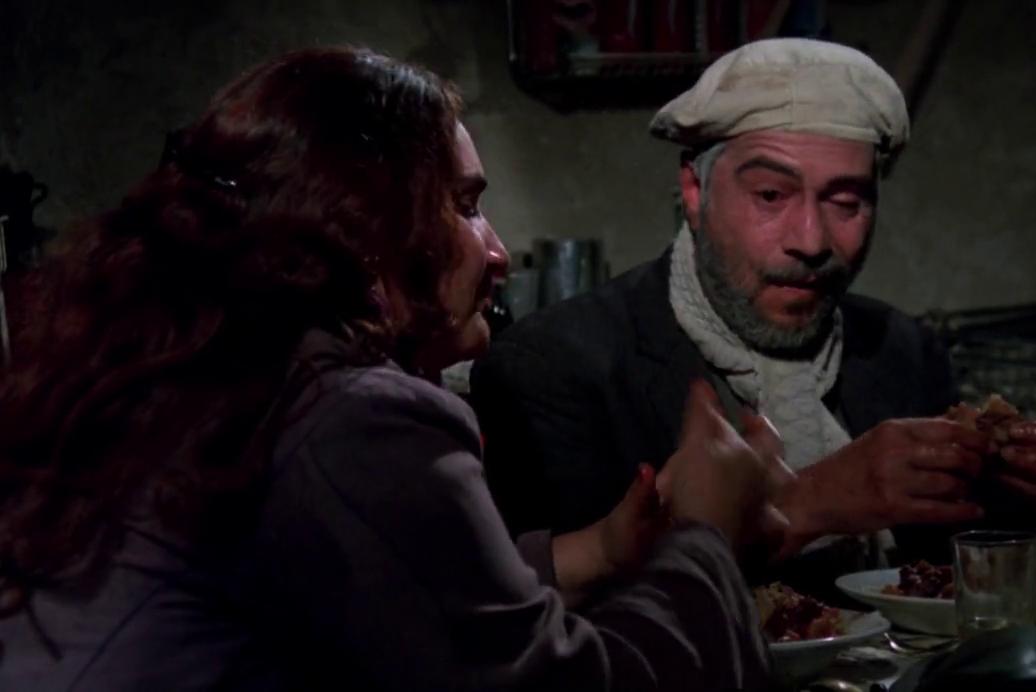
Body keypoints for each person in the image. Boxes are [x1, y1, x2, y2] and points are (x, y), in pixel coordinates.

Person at [0, 47, 783, 691]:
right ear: (364, 225)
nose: (499, 252)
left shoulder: (203, 374)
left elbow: (392, 589)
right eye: (466, 206)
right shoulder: (352, 416)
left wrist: (605, 550)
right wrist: (706, 537)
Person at [471, 39, 1036, 589]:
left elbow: (964, 582)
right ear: (694, 190)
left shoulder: (902, 351)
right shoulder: (556, 366)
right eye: (771, 195)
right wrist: (813, 502)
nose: (811, 240)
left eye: (846, 202)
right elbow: (566, 620)